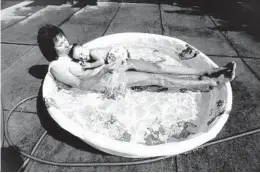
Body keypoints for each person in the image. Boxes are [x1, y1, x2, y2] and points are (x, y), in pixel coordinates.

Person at [37, 24, 236, 92]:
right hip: (104, 82)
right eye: (58, 42)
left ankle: (209, 70)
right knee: (157, 79)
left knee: (158, 68)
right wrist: (105, 70)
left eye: (62, 37)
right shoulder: (57, 66)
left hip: (111, 68)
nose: (64, 42)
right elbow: (83, 86)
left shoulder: (72, 51)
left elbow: (93, 56)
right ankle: (213, 81)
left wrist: (111, 57)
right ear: (50, 47)